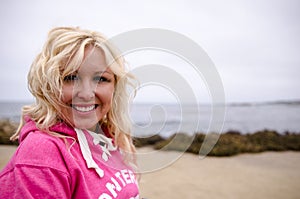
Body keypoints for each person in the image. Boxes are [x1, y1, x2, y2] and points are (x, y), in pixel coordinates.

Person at [0, 27, 140, 198]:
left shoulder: (107, 137)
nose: (87, 94)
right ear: (49, 85)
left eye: (101, 79)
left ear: (114, 87)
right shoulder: (43, 153)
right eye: (71, 78)